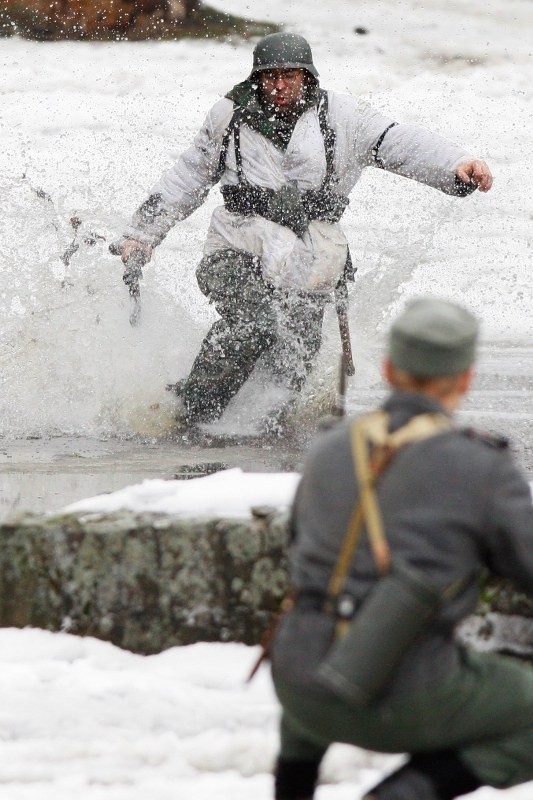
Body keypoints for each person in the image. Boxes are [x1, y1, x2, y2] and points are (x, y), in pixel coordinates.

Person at [111, 33, 493, 433]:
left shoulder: (344, 116)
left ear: (307, 76)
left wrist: (457, 164)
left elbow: (399, 141)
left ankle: (261, 432)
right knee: (252, 324)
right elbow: (187, 176)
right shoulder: (228, 115)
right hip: (235, 245)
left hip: (311, 259)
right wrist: (142, 233)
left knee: (295, 352)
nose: (278, 86)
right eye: (269, 76)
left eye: (289, 76)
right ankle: (189, 415)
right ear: (256, 77)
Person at [269, 296, 533, 800]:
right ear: (465, 379)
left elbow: (299, 546)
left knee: (315, 636)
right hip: (402, 692)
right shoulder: (482, 466)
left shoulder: (329, 447)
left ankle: (291, 790)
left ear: (389, 367)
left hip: (298, 683)